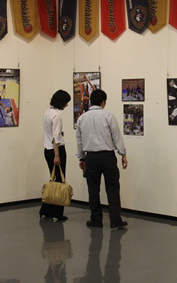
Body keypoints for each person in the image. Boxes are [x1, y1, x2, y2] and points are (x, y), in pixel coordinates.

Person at [76, 89, 128, 228]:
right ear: (103, 102)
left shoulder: (82, 118)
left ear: (91, 101)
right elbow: (116, 137)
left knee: (93, 190)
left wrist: (81, 158)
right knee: (112, 188)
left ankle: (96, 220)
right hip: (107, 157)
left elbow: (79, 141)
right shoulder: (108, 116)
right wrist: (122, 153)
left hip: (91, 158)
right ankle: (115, 220)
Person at [40, 90, 71, 221]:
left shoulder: (47, 112)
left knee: (53, 180)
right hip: (56, 150)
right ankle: (57, 212)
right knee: (59, 182)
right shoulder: (57, 116)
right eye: (66, 103)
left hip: (47, 150)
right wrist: (57, 155)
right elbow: (56, 137)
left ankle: (46, 210)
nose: (67, 105)